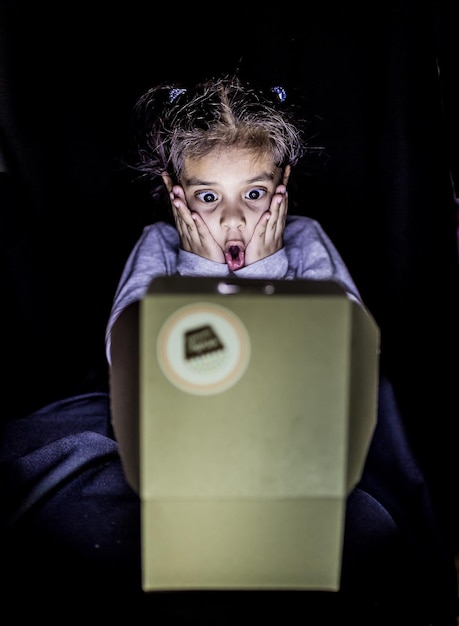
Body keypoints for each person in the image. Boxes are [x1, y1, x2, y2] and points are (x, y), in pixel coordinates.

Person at [105, 75, 363, 365]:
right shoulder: (158, 245)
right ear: (173, 190)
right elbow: (126, 357)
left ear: (283, 182)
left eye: (253, 193)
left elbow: (350, 349)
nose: (232, 219)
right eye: (208, 197)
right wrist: (199, 273)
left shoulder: (304, 238)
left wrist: (265, 275)